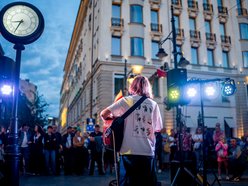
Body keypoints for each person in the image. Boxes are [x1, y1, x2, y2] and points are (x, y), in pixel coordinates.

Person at [101, 75, 163, 186]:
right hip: (147, 152)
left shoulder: (126, 101)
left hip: (128, 151)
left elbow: (104, 114)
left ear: (133, 86)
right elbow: (158, 128)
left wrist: (115, 118)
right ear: (148, 88)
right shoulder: (154, 104)